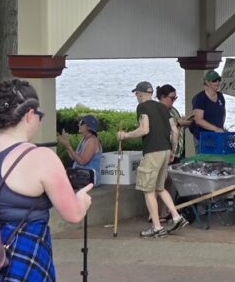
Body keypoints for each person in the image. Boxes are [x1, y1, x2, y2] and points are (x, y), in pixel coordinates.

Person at [0, 79, 92, 281]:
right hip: (23, 256)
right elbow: (73, 214)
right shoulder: (40, 157)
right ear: (29, 115)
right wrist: (82, 200)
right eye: (40, 115)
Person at [117, 81, 188, 238]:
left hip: (152, 151)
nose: (136, 97)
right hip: (166, 150)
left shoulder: (142, 107)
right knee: (160, 187)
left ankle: (157, 227)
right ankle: (177, 217)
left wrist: (125, 135)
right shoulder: (163, 107)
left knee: (148, 189)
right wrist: (172, 151)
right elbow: (175, 131)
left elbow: (144, 129)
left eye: (136, 94)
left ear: (139, 94)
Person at [57, 114, 103, 187]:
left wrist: (68, 146)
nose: (78, 124)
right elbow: (73, 157)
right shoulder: (84, 139)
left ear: (88, 127)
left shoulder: (92, 140)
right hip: (81, 176)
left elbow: (82, 161)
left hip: (89, 178)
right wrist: (67, 145)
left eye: (81, 123)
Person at [190, 70, 226, 153]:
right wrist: (216, 129)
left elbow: (223, 113)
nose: (217, 82)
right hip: (204, 137)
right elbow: (198, 120)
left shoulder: (220, 96)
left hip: (218, 136)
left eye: (219, 79)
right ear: (207, 82)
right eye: (214, 80)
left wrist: (221, 128)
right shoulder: (200, 98)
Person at [157, 84, 193, 162]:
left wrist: (187, 120)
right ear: (162, 97)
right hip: (165, 151)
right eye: (172, 98)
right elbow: (161, 126)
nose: (173, 101)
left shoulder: (173, 109)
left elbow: (177, 122)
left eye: (175, 98)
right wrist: (179, 123)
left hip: (178, 151)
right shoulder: (157, 110)